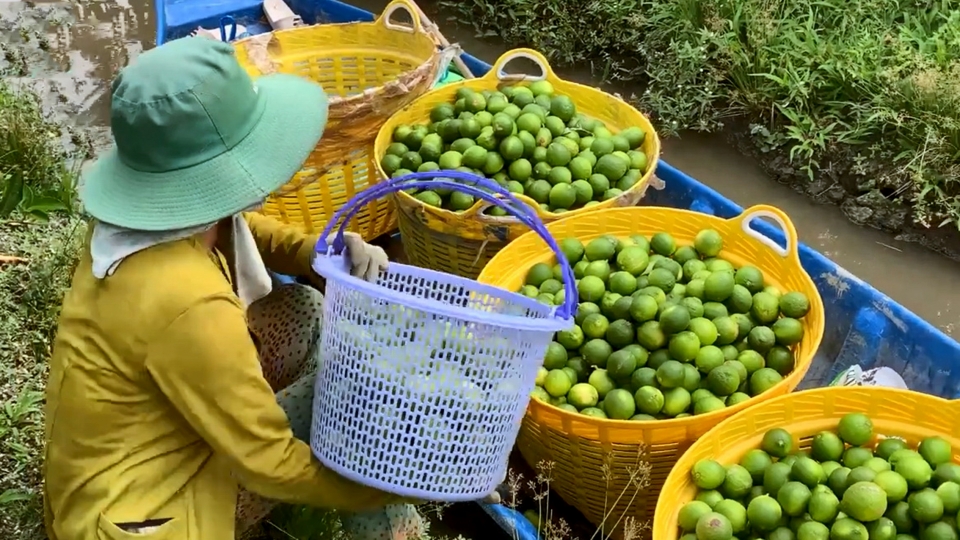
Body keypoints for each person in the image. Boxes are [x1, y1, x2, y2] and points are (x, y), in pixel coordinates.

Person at [43, 36, 444, 540]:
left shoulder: (137, 230)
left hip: (97, 480)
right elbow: (269, 464)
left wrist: (322, 251)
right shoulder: (189, 301)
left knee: (303, 308)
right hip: (149, 516)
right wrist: (388, 486)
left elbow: (242, 229)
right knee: (344, 409)